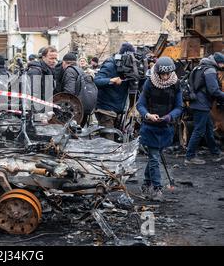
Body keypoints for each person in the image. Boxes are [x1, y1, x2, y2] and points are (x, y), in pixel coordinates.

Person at [137, 57, 183, 202]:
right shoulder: (149, 83)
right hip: (150, 127)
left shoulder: (176, 84)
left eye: (167, 74)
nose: (164, 77)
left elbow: (179, 107)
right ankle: (157, 189)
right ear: (157, 73)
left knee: (153, 157)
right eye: (162, 74)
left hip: (166, 127)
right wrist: (148, 115)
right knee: (155, 157)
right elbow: (140, 104)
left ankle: (146, 183)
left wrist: (170, 116)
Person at [185, 52, 224, 165]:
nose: (222, 67)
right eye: (222, 65)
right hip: (201, 104)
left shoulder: (199, 67)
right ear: (219, 63)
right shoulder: (210, 71)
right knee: (199, 130)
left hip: (197, 102)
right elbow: (214, 91)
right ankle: (190, 156)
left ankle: (215, 152)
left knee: (208, 129)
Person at [94, 43, 135, 140]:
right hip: (106, 110)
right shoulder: (110, 65)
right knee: (109, 142)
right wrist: (111, 80)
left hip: (118, 110)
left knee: (116, 142)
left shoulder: (130, 68)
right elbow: (96, 81)